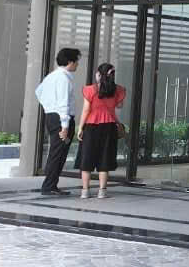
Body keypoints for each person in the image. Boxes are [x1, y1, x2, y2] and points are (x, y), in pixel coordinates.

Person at [74, 63, 126, 199]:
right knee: (104, 158)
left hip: (91, 126)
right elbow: (119, 106)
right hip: (109, 127)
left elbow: (86, 110)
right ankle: (102, 191)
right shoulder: (118, 90)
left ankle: (85, 191)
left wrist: (80, 127)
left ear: (98, 74)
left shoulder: (90, 89)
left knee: (87, 158)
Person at [34, 47, 80, 195]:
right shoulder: (63, 78)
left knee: (56, 152)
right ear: (70, 62)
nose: (77, 64)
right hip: (61, 119)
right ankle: (49, 186)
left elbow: (38, 92)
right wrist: (65, 126)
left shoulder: (52, 76)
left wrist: (48, 106)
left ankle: (51, 185)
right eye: (76, 61)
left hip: (52, 116)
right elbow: (63, 102)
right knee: (58, 153)